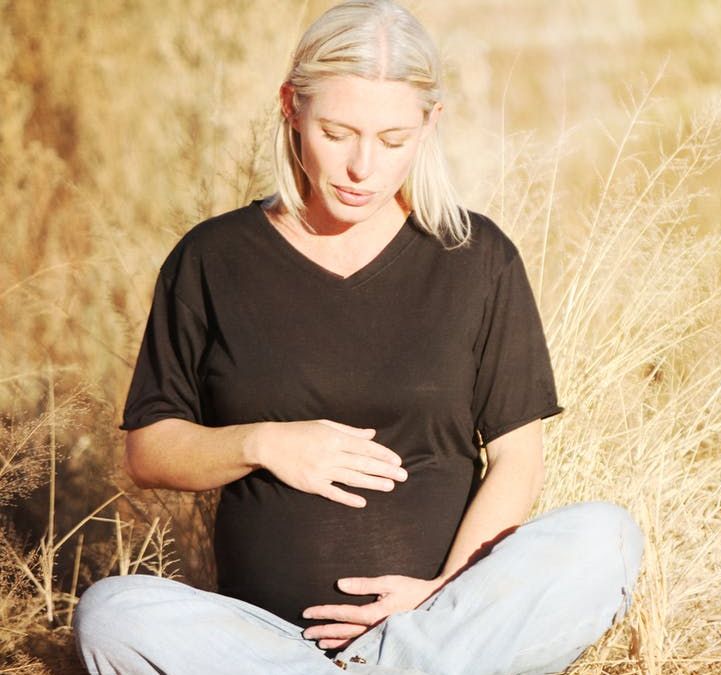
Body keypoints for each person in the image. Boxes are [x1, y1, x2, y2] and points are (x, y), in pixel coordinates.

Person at [72, 1, 643, 673]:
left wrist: (443, 595)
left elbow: (518, 458)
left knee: (606, 537)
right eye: (338, 132)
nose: (361, 167)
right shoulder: (212, 258)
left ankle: (403, 661)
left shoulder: (476, 257)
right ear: (291, 107)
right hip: (265, 641)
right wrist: (266, 442)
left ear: (430, 124)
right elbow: (150, 451)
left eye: (393, 139)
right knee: (111, 613)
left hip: (440, 622)